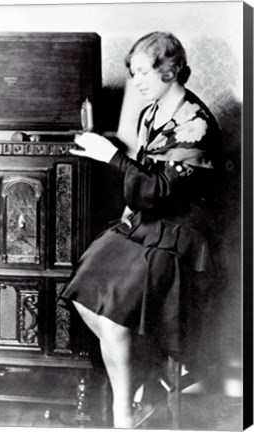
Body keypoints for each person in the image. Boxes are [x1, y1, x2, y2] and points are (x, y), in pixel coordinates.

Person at [60, 31, 221, 428]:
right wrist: (126, 211)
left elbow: (161, 189)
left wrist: (112, 156)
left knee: (113, 321)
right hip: (146, 221)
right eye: (133, 74)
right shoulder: (153, 111)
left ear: (170, 68)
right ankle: (139, 382)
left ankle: (123, 414)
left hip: (179, 233)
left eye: (145, 72)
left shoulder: (195, 124)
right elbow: (146, 177)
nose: (138, 82)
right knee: (83, 295)